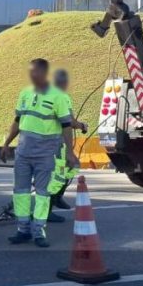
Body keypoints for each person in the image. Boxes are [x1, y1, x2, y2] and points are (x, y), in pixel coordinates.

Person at [0, 58, 78, 247]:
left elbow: (67, 126)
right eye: (30, 72)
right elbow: (18, 121)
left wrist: (69, 152)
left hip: (45, 154)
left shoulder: (57, 96)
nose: (32, 75)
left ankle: (38, 231)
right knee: (20, 192)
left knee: (42, 194)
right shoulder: (25, 93)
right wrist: (6, 144)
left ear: (44, 73)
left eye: (35, 72)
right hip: (23, 153)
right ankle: (22, 229)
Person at [47, 68, 89, 219]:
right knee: (63, 172)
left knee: (60, 173)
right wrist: (82, 126)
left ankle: (57, 198)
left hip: (43, 142)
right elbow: (69, 121)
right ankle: (50, 206)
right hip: (56, 143)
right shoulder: (62, 97)